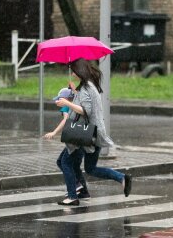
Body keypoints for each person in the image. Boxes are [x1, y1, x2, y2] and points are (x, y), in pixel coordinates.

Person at [55, 58, 132, 206]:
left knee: (65, 162)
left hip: (85, 134)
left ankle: (72, 196)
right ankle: (121, 178)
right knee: (90, 168)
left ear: (79, 71)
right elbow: (85, 102)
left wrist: (66, 102)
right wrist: (75, 91)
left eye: (73, 71)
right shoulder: (89, 85)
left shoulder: (86, 88)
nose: (72, 74)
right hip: (94, 133)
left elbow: (86, 111)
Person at [44, 87, 90, 198]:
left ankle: (75, 188)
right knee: (74, 165)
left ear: (65, 99)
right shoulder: (75, 104)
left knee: (63, 162)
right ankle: (83, 191)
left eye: (59, 99)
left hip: (75, 140)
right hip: (81, 138)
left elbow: (65, 120)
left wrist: (54, 132)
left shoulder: (67, 106)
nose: (57, 101)